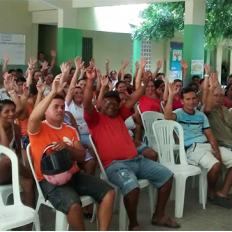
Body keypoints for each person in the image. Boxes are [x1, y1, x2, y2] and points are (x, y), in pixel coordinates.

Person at [83, 66, 179, 230]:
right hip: (114, 165)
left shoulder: (120, 114)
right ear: (101, 105)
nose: (111, 105)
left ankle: (159, 215)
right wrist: (90, 80)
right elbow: (86, 103)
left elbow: (134, 96)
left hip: (137, 160)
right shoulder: (95, 119)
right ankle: (133, 224)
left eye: (114, 103)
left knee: (167, 176)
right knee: (132, 187)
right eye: (107, 103)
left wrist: (146, 82)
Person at [28, 75, 115, 230]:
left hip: (73, 175)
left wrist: (67, 148)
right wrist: (52, 92)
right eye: (56, 107)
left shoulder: (70, 130)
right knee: (74, 205)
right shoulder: (39, 128)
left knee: (109, 192)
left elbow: (81, 156)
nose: (61, 110)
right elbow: (34, 116)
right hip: (49, 181)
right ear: (46, 110)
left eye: (62, 107)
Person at [164, 84, 232, 208]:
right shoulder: (178, 113)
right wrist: (171, 95)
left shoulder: (201, 115)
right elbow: (167, 116)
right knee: (215, 165)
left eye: (194, 98)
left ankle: (222, 192)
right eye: (188, 99)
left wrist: (217, 152)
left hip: (206, 145)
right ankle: (211, 192)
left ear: (197, 99)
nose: (191, 101)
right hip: (191, 148)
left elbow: (210, 136)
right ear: (182, 101)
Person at [0, 99, 35, 207]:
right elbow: (7, 152)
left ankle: (30, 219)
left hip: (13, 167)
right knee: (7, 160)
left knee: (28, 183)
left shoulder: (16, 128)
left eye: (13, 110)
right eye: (6, 111)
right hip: (3, 170)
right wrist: (0, 127)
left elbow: (18, 153)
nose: (11, 114)